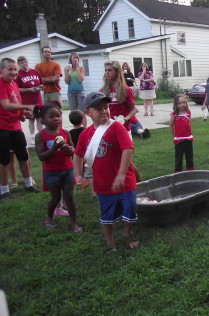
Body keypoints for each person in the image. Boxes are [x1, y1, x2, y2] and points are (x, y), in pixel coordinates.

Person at [73, 91, 139, 252]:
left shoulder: (116, 126)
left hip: (125, 181)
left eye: (106, 107)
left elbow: (128, 148)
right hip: (103, 184)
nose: (104, 111)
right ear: (87, 112)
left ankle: (127, 232)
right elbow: (77, 155)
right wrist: (78, 175)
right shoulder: (85, 134)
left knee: (130, 208)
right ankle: (109, 240)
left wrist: (122, 173)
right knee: (107, 214)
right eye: (98, 109)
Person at [35, 104, 82, 232]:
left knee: (69, 197)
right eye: (51, 116)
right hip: (51, 172)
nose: (56, 119)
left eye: (58, 116)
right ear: (43, 120)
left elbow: (74, 151)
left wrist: (69, 149)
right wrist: (54, 148)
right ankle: (49, 218)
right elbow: (41, 156)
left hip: (67, 170)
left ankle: (73, 223)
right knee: (55, 198)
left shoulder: (65, 133)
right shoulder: (41, 135)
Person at [0, 58, 41, 199]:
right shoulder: (1, 84)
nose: (13, 72)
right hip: (2, 128)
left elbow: (17, 102)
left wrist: (24, 113)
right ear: (1, 70)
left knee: (23, 155)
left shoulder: (14, 85)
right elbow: (5, 105)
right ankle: (4, 190)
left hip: (15, 127)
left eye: (15, 69)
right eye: (10, 69)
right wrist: (26, 107)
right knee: (4, 159)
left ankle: (28, 184)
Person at [100, 60, 141, 182]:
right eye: (106, 70)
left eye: (110, 70)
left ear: (117, 72)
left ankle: (136, 182)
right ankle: (115, 181)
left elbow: (134, 109)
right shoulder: (103, 90)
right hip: (108, 128)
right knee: (111, 157)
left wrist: (125, 119)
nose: (107, 73)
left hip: (123, 128)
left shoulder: (125, 90)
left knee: (126, 160)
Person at [16, 56, 43, 145]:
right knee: (31, 119)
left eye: (25, 61)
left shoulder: (35, 72)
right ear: (19, 64)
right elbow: (17, 89)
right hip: (27, 101)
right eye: (21, 62)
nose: (24, 64)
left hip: (37, 99)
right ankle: (32, 137)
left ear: (27, 62)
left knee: (39, 118)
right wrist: (29, 90)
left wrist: (39, 88)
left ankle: (41, 136)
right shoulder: (18, 74)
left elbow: (41, 84)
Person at [169, 94, 195, 173]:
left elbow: (189, 122)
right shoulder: (174, 115)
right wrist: (173, 136)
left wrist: (189, 132)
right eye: (180, 103)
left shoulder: (188, 113)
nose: (182, 104)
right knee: (179, 156)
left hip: (188, 138)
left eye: (184, 102)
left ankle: (190, 169)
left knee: (189, 155)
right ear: (176, 104)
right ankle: (178, 170)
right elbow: (170, 126)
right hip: (179, 139)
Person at [64, 53, 87, 127]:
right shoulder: (68, 69)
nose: (75, 59)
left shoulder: (81, 68)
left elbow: (80, 80)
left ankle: (84, 128)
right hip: (71, 92)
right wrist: (65, 72)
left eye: (76, 58)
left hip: (80, 92)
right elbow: (67, 82)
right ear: (70, 59)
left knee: (82, 112)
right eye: (73, 58)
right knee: (73, 112)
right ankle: (76, 128)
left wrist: (77, 68)